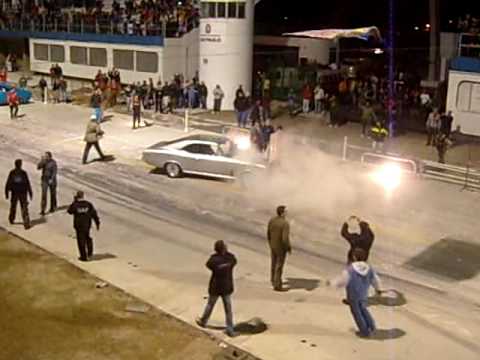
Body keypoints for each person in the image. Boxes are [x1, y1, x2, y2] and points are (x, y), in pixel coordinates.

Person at [328, 248, 383, 338]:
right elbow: (375, 280)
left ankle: (364, 331)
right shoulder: (369, 269)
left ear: (354, 257)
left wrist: (332, 283)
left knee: (357, 313)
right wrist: (378, 289)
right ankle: (372, 326)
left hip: (353, 295)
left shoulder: (350, 269)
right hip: (363, 294)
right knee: (364, 310)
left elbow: (342, 280)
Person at [196, 240, 237, 337]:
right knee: (228, 309)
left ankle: (203, 321)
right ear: (224, 249)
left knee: (210, 304)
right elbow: (234, 261)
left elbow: (208, 265)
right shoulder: (230, 258)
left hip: (215, 286)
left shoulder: (214, 260)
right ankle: (230, 329)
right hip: (227, 287)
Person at [67, 191, 100, 262]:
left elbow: (69, 211)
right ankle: (90, 253)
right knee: (87, 237)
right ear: (83, 196)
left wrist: (74, 201)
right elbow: (94, 214)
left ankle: (83, 256)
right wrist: (97, 223)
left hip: (79, 225)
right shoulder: (88, 204)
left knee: (81, 241)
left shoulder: (75, 204)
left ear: (77, 196)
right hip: (87, 224)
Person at [267, 205, 291, 291]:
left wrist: (270, 243)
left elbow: (268, 233)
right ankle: (277, 285)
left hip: (273, 245)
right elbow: (285, 238)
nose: (287, 213)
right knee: (279, 266)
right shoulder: (285, 224)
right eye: (286, 211)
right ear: (283, 213)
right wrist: (288, 247)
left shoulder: (272, 220)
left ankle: (273, 280)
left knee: (273, 263)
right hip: (281, 247)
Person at [5, 159, 32, 229]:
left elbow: (8, 182)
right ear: (20, 165)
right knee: (23, 208)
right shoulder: (22, 173)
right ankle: (25, 223)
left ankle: (12, 219)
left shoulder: (13, 172)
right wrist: (30, 192)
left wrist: (6, 192)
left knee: (14, 207)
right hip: (21, 193)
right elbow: (27, 183)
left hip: (17, 193)